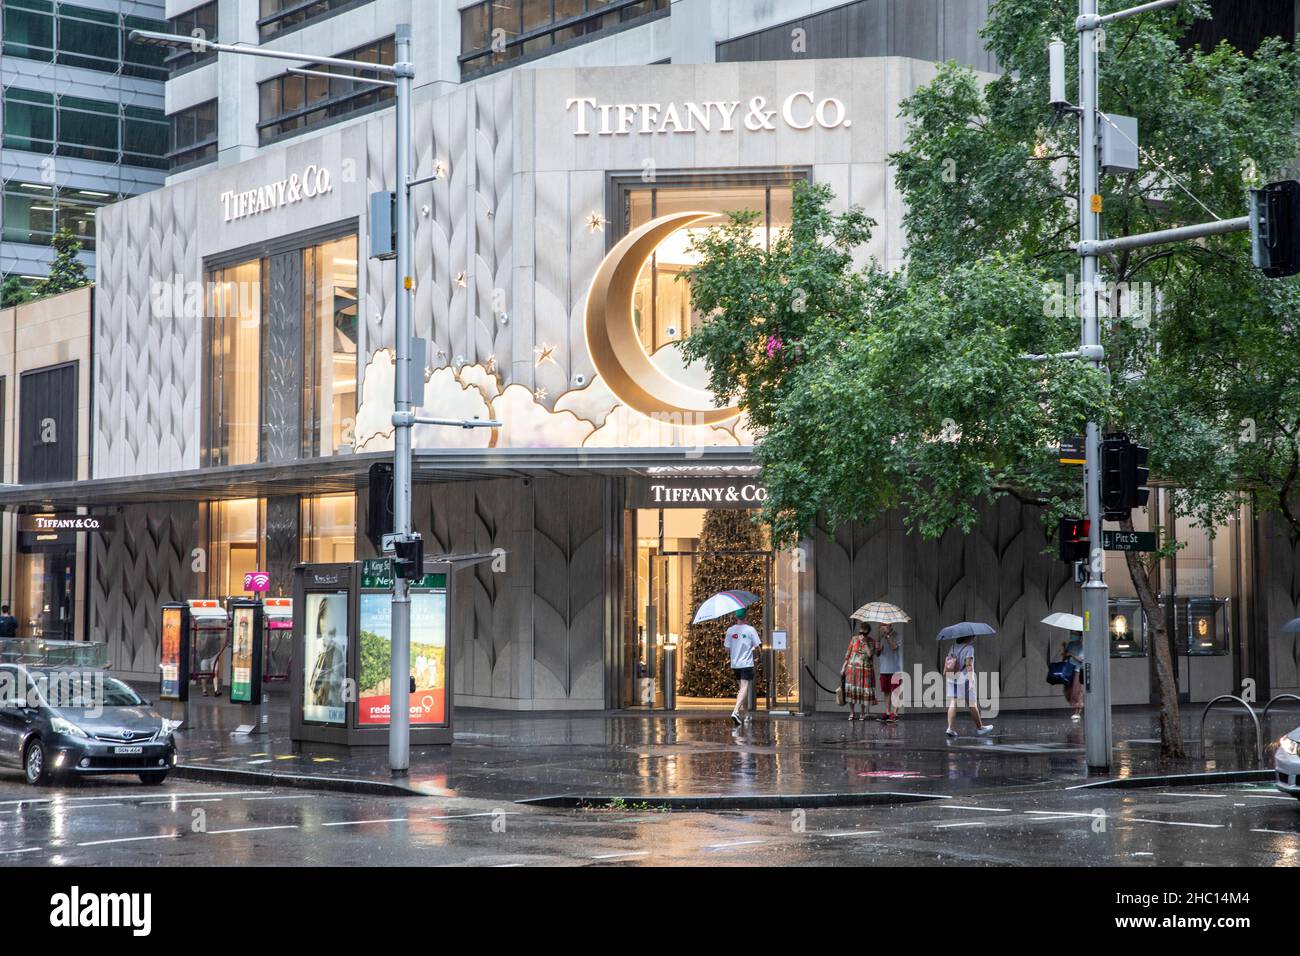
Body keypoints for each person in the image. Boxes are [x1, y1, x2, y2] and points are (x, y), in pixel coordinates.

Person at [944, 635, 993, 737]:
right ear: (967, 637)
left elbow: (950, 661)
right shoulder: (969, 648)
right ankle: (980, 728)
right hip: (964, 678)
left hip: (952, 677)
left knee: (953, 702)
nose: (974, 636)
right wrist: (971, 680)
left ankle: (950, 728)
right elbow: (968, 665)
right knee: (972, 704)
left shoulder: (953, 646)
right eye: (972, 635)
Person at [724, 608, 762, 728]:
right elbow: (757, 647)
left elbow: (727, 649)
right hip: (746, 663)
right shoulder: (750, 630)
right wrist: (758, 656)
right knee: (744, 688)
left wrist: (733, 653)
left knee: (742, 689)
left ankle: (746, 714)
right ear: (746, 617)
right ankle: (735, 711)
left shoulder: (730, 630)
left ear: (736, 617)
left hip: (735, 664)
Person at [840, 621, 877, 721]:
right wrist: (843, 667)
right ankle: (852, 713)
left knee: (862, 692)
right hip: (853, 669)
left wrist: (864, 643)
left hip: (865, 670)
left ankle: (862, 713)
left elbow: (870, 655)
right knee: (852, 691)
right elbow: (848, 654)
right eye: (860, 633)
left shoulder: (871, 641)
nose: (862, 635)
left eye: (864, 633)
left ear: (868, 633)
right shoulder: (854, 639)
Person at [875, 621, 904, 722]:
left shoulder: (897, 636)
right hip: (884, 668)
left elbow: (894, 647)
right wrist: (878, 648)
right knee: (886, 692)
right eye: (881, 625)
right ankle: (887, 713)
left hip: (896, 668)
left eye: (884, 625)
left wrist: (887, 636)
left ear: (890, 625)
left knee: (895, 692)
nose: (883, 627)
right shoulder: (881, 637)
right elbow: (877, 653)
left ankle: (895, 714)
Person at [1061, 630, 1084, 721]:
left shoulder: (1082, 646)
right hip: (1069, 670)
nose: (1073, 636)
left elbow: (1081, 659)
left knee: (1077, 691)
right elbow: (1064, 657)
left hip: (1077, 670)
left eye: (1075, 634)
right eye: (1072, 634)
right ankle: (1075, 707)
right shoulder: (1070, 644)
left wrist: (1071, 654)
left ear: (1079, 635)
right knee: (1068, 690)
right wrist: (1064, 649)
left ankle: (1077, 711)